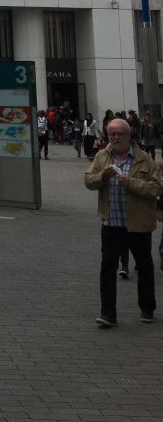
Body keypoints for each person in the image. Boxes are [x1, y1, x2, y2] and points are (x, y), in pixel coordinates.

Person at [83, 118, 161, 327]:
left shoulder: (144, 159)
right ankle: (108, 314)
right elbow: (88, 180)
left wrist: (132, 183)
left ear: (129, 136)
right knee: (107, 268)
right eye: (112, 134)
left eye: (120, 134)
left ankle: (147, 308)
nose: (116, 138)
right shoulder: (102, 156)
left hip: (137, 224)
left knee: (144, 266)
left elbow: (156, 188)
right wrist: (103, 176)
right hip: (111, 224)